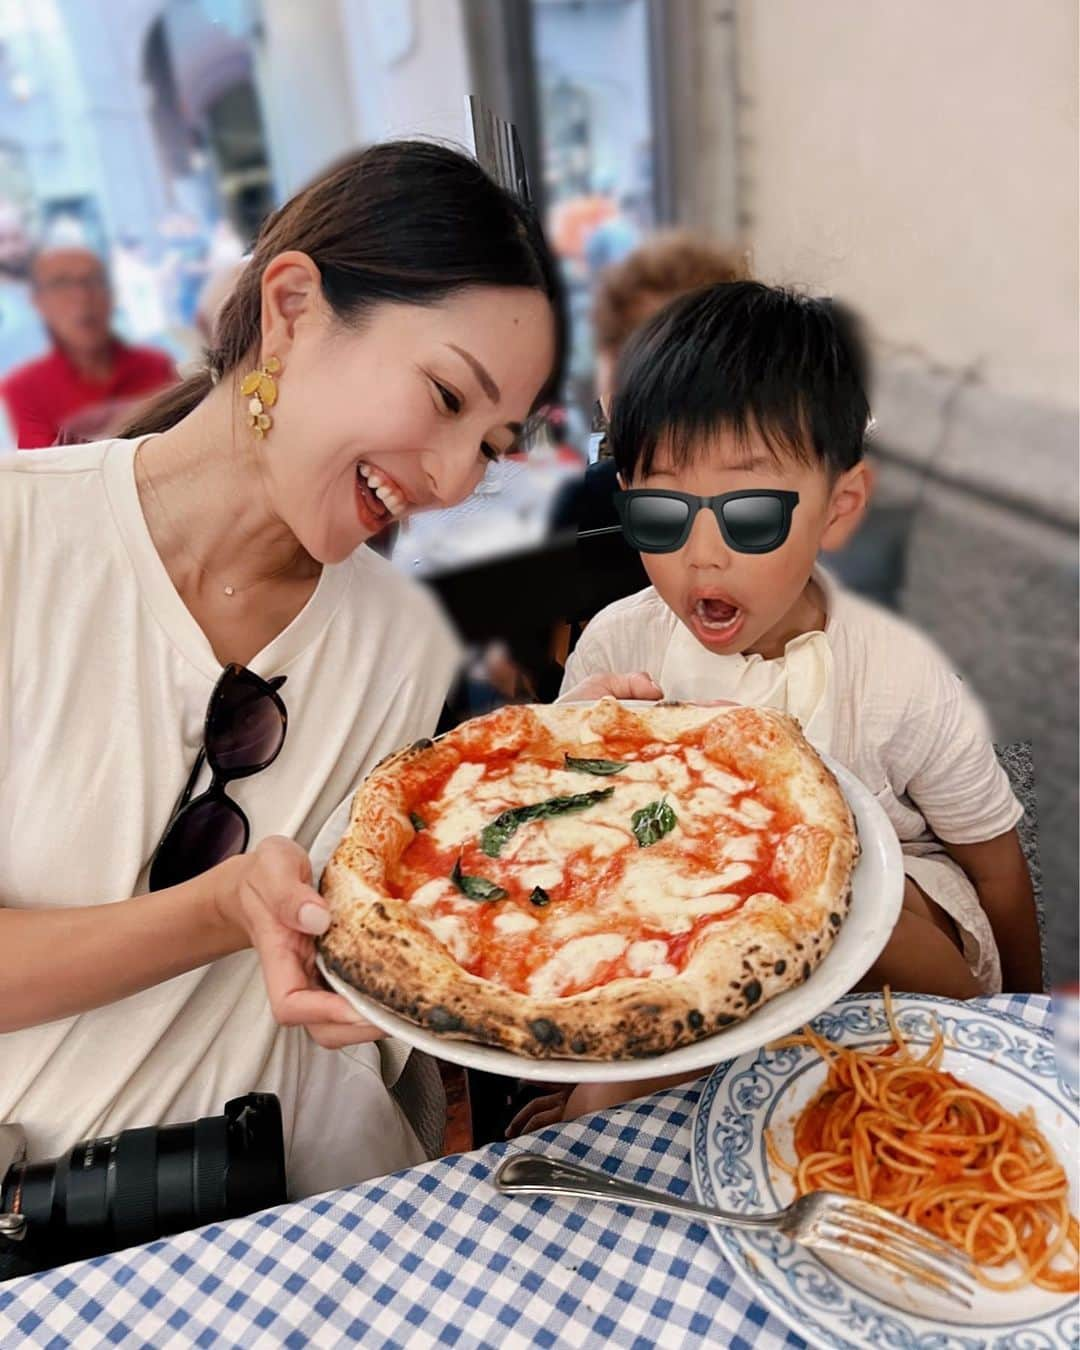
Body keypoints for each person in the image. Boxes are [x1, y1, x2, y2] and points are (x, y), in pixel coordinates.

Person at [0, 140, 563, 1198]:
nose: (449, 481)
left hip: (332, 1217)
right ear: (294, 307)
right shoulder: (19, 539)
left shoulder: (402, 640)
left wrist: (591, 785)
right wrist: (219, 909)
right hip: (52, 1251)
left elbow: (415, 925)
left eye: (492, 446)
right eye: (447, 397)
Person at [509, 280, 1040, 1134]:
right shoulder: (618, 643)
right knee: (591, 1122)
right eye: (661, 512)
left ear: (839, 508)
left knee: (863, 882)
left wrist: (1027, 1030)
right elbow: (575, 848)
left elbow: (998, 866)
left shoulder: (897, 675)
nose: (701, 556)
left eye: (750, 515)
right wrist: (570, 753)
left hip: (900, 951)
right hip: (681, 940)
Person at [1, 246, 177, 448]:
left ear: (112, 296)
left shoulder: (156, 365)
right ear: (38, 302)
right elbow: (45, 473)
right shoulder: (22, 389)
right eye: (62, 284)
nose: (83, 297)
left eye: (94, 281)